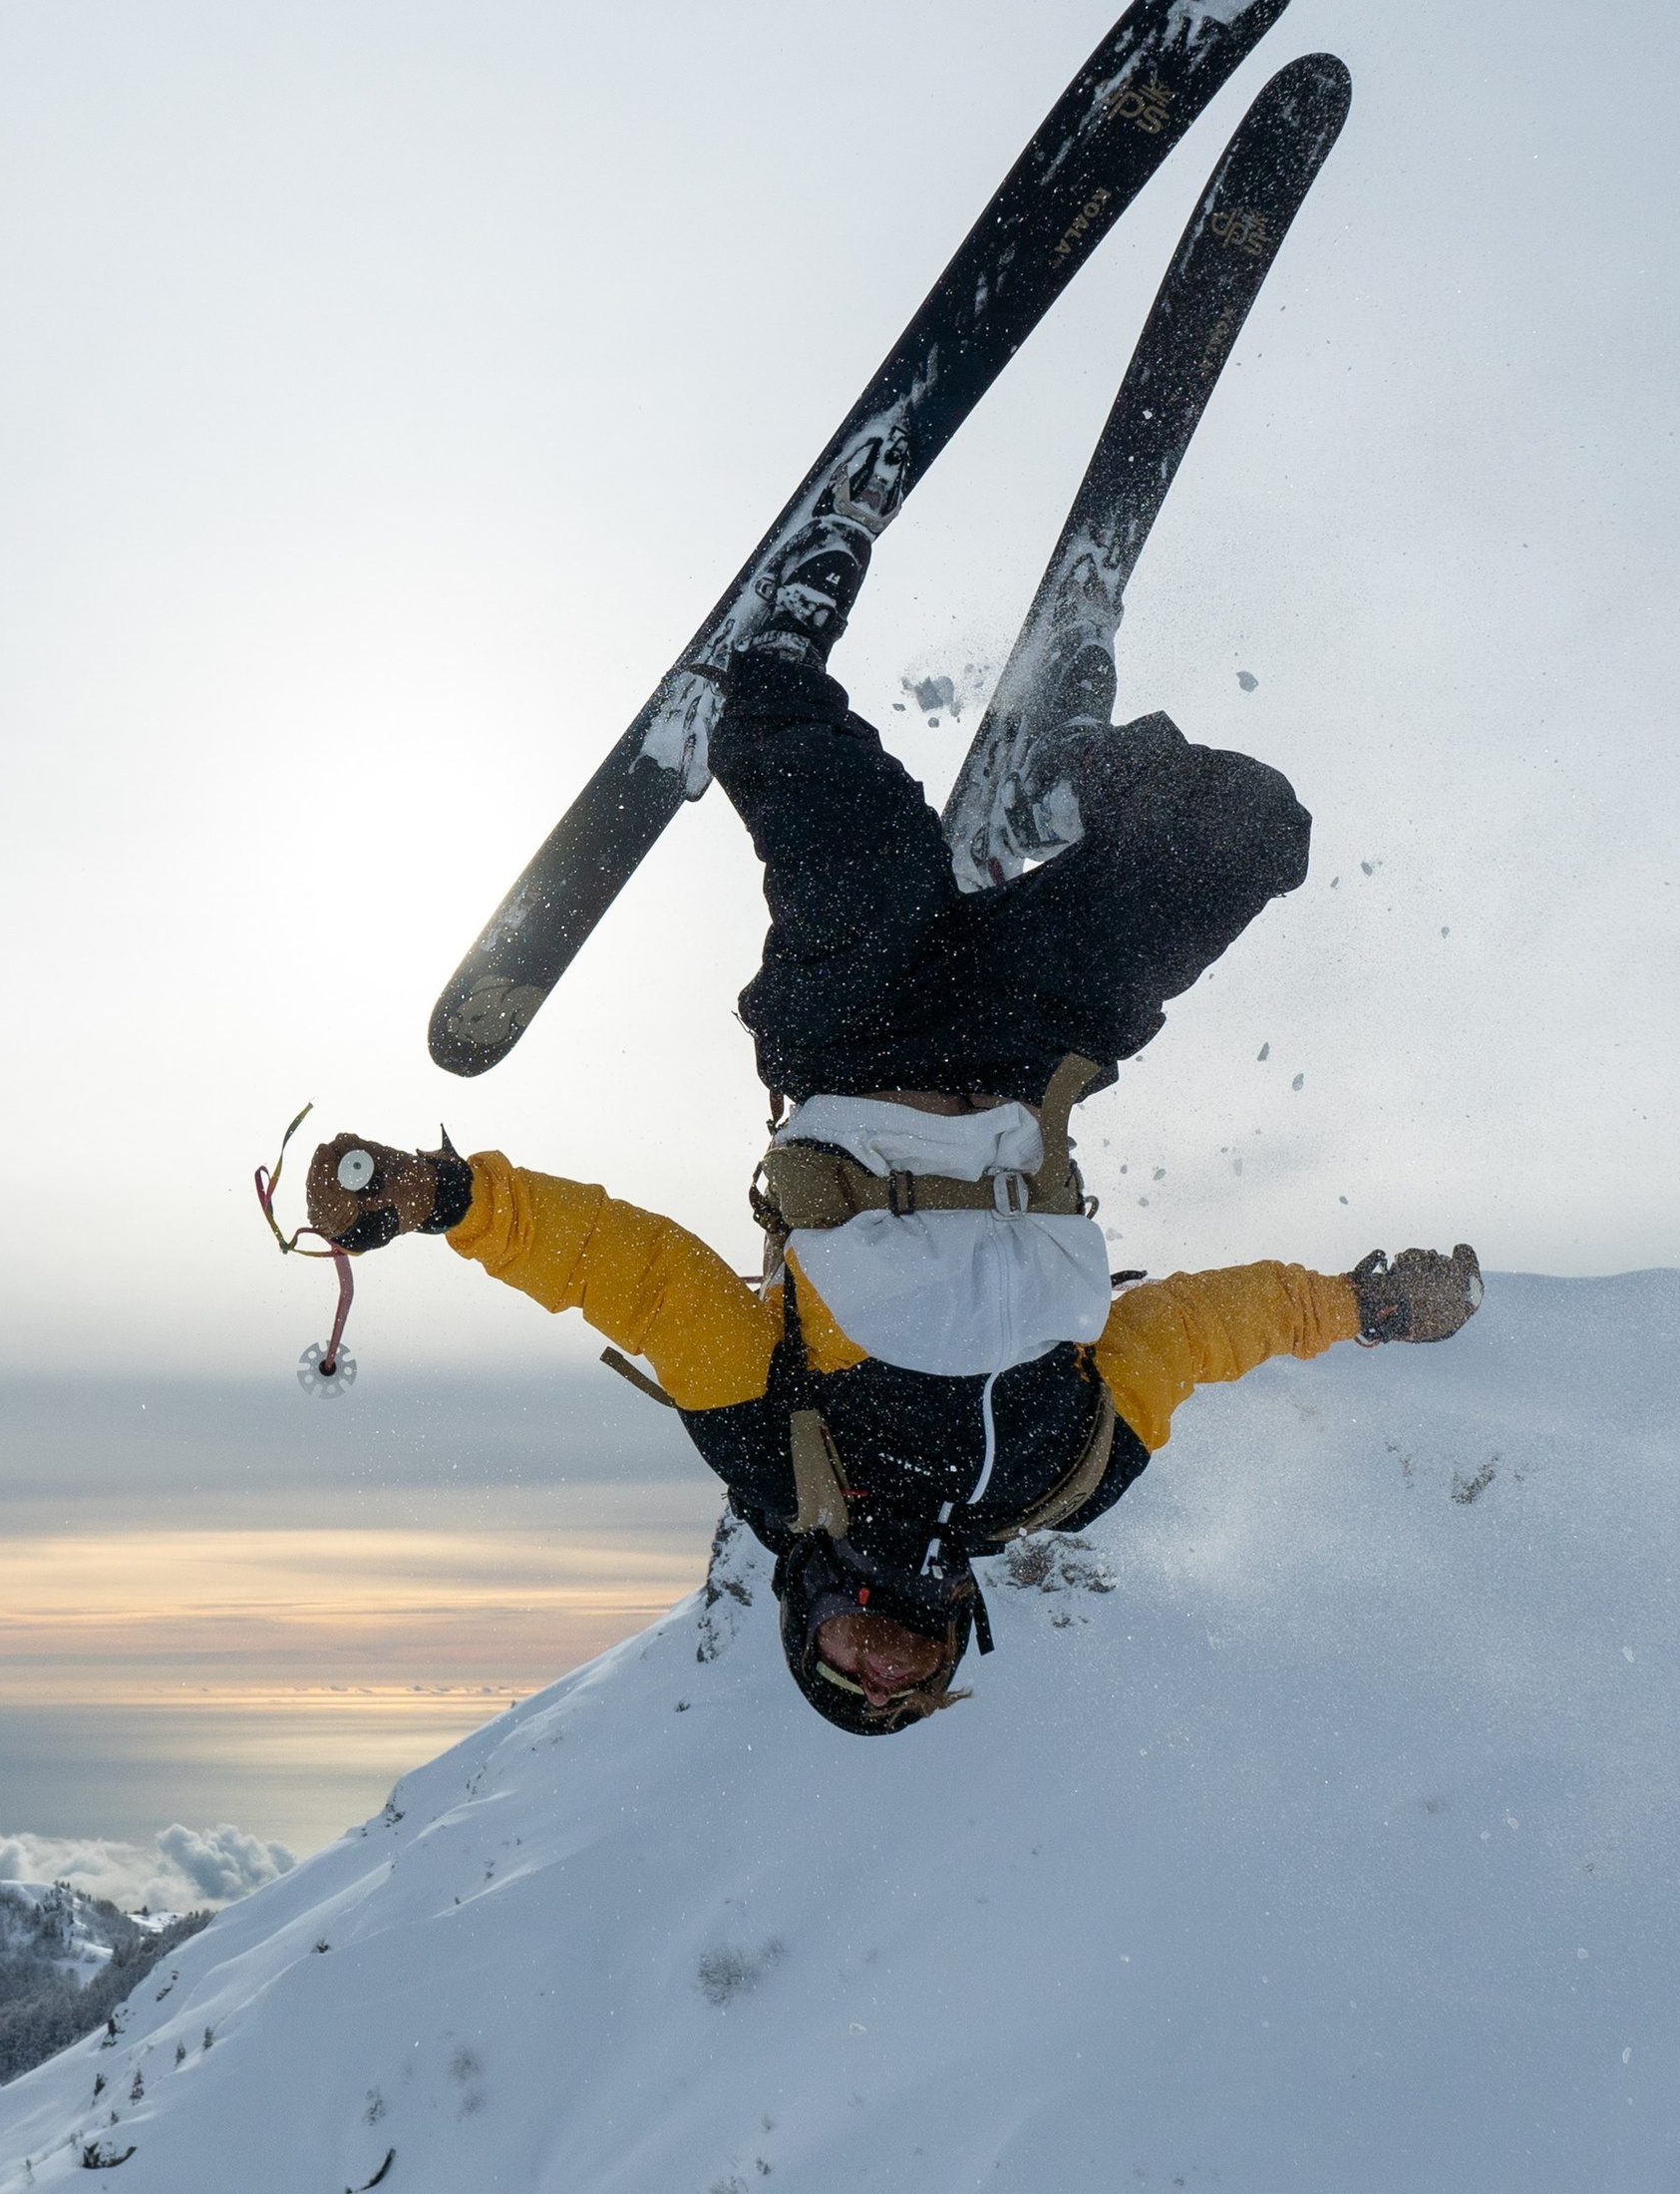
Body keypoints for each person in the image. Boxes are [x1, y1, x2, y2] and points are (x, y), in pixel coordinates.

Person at [305, 517, 1481, 1734]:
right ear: (953, 1645)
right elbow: (1190, 1332)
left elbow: (646, 1283)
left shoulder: (784, 1465)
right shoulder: (1061, 1481)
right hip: (1037, 1047)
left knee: (848, 838)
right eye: (905, 1679)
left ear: (800, 1623)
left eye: (844, 1667)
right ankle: (1059, 769)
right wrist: (1365, 1308)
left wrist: (448, 1201)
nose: (881, 1657)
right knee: (1248, 832)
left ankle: (769, 667)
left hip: (860, 1042)